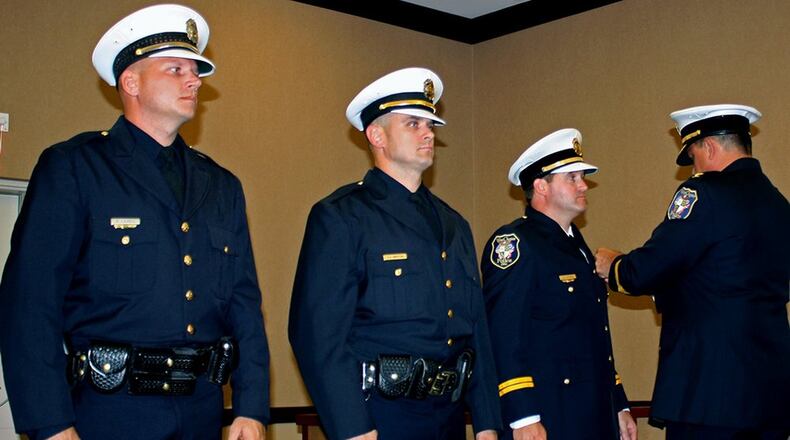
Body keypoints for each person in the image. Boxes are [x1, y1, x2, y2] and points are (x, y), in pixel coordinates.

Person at [0, 5, 270, 440]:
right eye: (175, 68)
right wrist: (51, 424)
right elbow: (30, 306)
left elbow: (244, 307)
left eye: (196, 70)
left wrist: (252, 407)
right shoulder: (76, 168)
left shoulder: (221, 185)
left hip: (203, 410)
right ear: (131, 82)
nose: (194, 80)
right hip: (109, 415)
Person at [288, 67, 501, 440]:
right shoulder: (342, 216)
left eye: (430, 124)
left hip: (448, 415)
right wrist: (353, 428)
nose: (428, 132)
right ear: (376, 135)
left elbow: (476, 332)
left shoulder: (454, 224)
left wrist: (486, 422)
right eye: (413, 123)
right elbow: (317, 335)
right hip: (380, 416)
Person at [595, 104, 790, 439]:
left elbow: (651, 267)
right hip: (771, 398)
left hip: (710, 395)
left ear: (709, 147)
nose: (694, 167)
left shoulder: (705, 193)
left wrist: (615, 266)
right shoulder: (778, 204)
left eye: (695, 155)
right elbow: (723, 282)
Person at [481, 129, 637, 440]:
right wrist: (522, 415)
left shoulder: (575, 245)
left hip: (593, 412)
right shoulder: (516, 243)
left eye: (583, 177)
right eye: (572, 177)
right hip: (550, 414)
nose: (583, 185)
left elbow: (595, 337)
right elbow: (504, 336)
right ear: (540, 186)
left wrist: (617, 403)